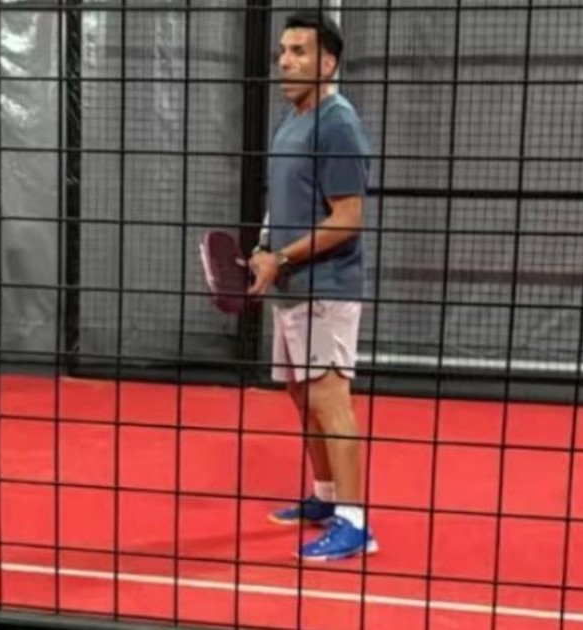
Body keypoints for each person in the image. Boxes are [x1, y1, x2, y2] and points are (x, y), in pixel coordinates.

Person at [247, 10, 377, 561]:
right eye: (283, 50)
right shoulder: (291, 118)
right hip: (292, 287)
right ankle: (325, 497)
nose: (285, 61)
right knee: (303, 395)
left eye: (299, 51)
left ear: (328, 62)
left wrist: (280, 256)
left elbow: (347, 218)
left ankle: (355, 523)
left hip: (328, 286)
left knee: (329, 397)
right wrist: (263, 246)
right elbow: (282, 199)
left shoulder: (337, 124)